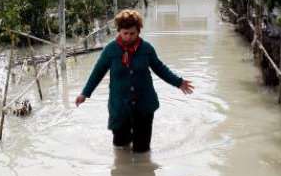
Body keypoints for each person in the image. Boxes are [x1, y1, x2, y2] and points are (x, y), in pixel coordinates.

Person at [75, 9, 194, 152]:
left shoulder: (146, 49)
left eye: (133, 33)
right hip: (119, 107)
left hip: (144, 105)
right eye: (125, 33)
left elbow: (160, 68)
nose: (129, 37)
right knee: (120, 147)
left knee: (142, 150)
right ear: (119, 31)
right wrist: (85, 93)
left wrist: (178, 82)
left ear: (138, 32)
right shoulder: (110, 50)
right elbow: (97, 72)